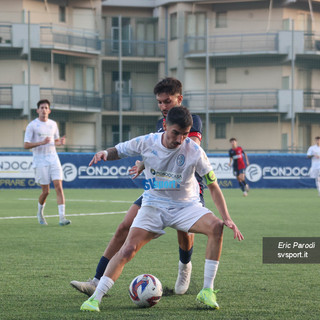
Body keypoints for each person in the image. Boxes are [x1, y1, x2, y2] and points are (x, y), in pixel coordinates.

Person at [80, 106, 244, 312]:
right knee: (128, 249)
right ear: (165, 126)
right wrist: (104, 153)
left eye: (185, 134)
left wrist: (227, 217)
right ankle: (96, 298)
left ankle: (207, 291)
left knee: (217, 227)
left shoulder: (194, 151)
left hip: (186, 206)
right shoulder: (147, 142)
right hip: (153, 204)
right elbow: (119, 150)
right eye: (176, 133)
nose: (179, 139)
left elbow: (213, 186)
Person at [70, 77, 204, 296]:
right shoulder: (159, 125)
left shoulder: (194, 121)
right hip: (159, 187)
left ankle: (184, 268)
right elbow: (157, 150)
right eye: (159, 102)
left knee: (184, 231)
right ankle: (96, 280)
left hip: (185, 188)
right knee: (124, 226)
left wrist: (151, 160)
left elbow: (187, 150)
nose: (163, 106)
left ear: (179, 98)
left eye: (167, 101)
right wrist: (143, 163)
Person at [24, 99, 71, 226]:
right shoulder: (32, 125)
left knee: (59, 187)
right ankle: (40, 213)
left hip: (53, 158)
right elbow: (26, 145)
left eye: (46, 108)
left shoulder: (53, 124)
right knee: (46, 191)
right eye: (42, 108)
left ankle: (62, 217)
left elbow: (54, 141)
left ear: (49, 111)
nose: (44, 110)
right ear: (37, 110)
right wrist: (41, 142)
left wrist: (59, 143)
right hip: (40, 160)